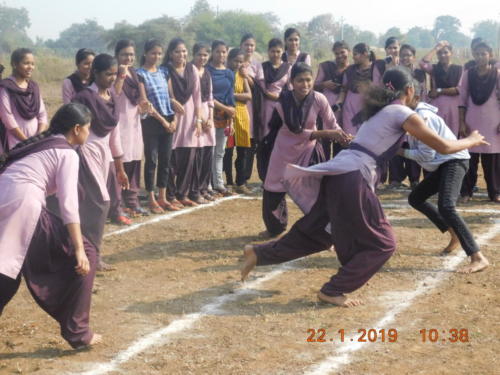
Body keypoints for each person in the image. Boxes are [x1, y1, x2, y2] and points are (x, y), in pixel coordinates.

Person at [240, 67, 488, 307]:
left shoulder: (381, 112)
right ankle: (333, 290)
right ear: (410, 90)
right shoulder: (402, 113)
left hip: (339, 172)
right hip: (352, 176)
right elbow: (443, 147)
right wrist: (472, 140)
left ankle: (259, 254)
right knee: (383, 243)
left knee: (318, 232)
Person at [0, 103, 102, 348]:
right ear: (77, 129)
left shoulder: (44, 143)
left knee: (7, 271)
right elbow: (68, 205)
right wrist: (78, 248)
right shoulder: (67, 152)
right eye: (88, 129)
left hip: (6, 197)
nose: (89, 134)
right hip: (23, 205)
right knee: (88, 253)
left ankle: (78, 331)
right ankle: (78, 332)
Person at [401, 97, 489, 273]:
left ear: (411, 94)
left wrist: (399, 151)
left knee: (446, 206)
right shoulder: (411, 116)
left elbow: (425, 155)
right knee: (416, 198)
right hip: (444, 163)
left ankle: (478, 257)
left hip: (455, 160)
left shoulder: (423, 117)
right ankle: (454, 233)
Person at [261, 62, 349, 236]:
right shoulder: (283, 100)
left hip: (308, 150)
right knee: (273, 189)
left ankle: (324, 230)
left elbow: (333, 124)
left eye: (308, 80)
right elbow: (296, 130)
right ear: (292, 82)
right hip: (283, 150)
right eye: (300, 80)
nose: (305, 84)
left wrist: (343, 136)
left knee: (317, 191)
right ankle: (275, 228)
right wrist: (327, 133)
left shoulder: (318, 98)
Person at [72, 53, 129, 271]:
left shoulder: (112, 98)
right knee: (99, 204)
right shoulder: (84, 98)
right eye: (107, 74)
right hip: (85, 152)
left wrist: (119, 167)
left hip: (104, 155)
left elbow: (114, 135)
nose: (112, 78)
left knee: (95, 205)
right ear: (95, 73)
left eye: (115, 74)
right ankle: (91, 255)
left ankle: (90, 253)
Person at [136, 39, 178, 213]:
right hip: (152, 121)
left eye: (159, 53)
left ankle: (163, 196)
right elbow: (145, 103)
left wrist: (174, 120)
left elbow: (171, 98)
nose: (156, 56)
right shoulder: (140, 74)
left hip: (168, 118)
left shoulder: (164, 71)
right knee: (151, 160)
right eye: (153, 53)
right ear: (145, 53)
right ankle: (151, 198)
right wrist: (164, 122)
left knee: (165, 160)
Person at [164, 38, 203, 207]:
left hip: (190, 118)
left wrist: (198, 119)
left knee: (188, 158)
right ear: (171, 54)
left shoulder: (192, 69)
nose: (182, 54)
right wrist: (172, 100)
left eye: (184, 51)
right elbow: (163, 94)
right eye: (178, 51)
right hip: (173, 117)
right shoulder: (165, 70)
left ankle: (183, 194)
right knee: (171, 159)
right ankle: (170, 195)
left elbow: (197, 96)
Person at [459, 42, 500, 203]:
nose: (480, 57)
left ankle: (495, 192)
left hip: (493, 120)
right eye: (477, 54)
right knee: (470, 158)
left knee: (493, 160)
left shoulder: (497, 74)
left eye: (484, 54)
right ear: (473, 55)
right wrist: (462, 122)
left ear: (490, 55)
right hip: (472, 120)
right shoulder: (468, 74)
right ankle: (467, 192)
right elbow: (462, 99)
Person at [113, 40, 149, 219]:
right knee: (120, 162)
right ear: (117, 56)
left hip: (134, 125)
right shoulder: (113, 73)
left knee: (134, 161)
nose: (128, 58)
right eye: (124, 54)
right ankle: (118, 204)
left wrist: (145, 105)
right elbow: (115, 93)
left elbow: (142, 100)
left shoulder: (136, 75)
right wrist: (121, 74)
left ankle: (132, 201)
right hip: (118, 125)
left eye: (131, 55)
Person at [388, 43, 427, 189]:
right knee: (397, 142)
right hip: (397, 111)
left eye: (409, 55)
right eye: (403, 55)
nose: (405, 58)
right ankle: (396, 179)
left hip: (413, 111)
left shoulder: (419, 73)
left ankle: (414, 179)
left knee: (413, 143)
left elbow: (422, 93)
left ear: (413, 57)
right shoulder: (394, 73)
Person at [255, 38, 291, 181]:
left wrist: (278, 97)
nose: (275, 54)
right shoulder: (262, 67)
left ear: (282, 52)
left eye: (278, 51)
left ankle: (279, 177)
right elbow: (258, 86)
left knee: (279, 144)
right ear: (268, 52)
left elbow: (290, 90)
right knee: (263, 145)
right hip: (263, 109)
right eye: (272, 51)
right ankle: (265, 178)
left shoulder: (288, 68)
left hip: (280, 110)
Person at [0, 48, 48, 154]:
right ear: (14, 64)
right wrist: (26, 141)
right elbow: (8, 119)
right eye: (26, 63)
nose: (30, 67)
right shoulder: (5, 88)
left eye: (32, 64)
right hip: (14, 142)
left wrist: (38, 138)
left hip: (35, 143)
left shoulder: (33, 87)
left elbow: (42, 114)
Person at [334, 43, 382, 137]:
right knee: (350, 137)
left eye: (356, 54)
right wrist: (339, 103)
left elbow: (378, 89)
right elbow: (344, 89)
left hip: (367, 108)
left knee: (367, 137)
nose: (353, 57)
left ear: (365, 54)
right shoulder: (350, 70)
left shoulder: (376, 68)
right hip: (350, 108)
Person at [207, 40, 235, 196]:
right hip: (210, 113)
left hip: (225, 116)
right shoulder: (207, 71)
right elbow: (208, 96)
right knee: (209, 150)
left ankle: (219, 183)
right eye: (218, 51)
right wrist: (224, 108)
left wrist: (231, 114)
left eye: (224, 52)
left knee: (220, 152)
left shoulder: (229, 73)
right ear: (212, 52)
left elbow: (230, 96)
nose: (221, 55)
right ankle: (208, 184)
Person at [223, 48, 253, 195]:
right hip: (228, 113)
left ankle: (240, 182)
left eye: (241, 62)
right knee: (228, 151)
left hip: (242, 114)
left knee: (243, 151)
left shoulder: (243, 76)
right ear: (229, 60)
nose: (238, 64)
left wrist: (232, 94)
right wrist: (237, 96)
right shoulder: (225, 74)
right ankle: (228, 182)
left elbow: (249, 95)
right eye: (236, 60)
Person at [314, 40, 350, 159]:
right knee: (324, 142)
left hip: (345, 112)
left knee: (341, 145)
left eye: (342, 52)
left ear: (348, 52)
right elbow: (314, 85)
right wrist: (325, 84)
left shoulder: (353, 70)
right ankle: (323, 173)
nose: (340, 56)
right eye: (337, 53)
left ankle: (336, 175)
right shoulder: (326, 66)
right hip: (326, 110)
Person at [419, 41, 463, 136]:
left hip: (454, 108)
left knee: (452, 135)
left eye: (446, 52)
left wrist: (439, 91)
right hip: (438, 107)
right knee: (437, 134)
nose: (443, 55)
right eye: (440, 53)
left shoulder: (459, 69)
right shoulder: (434, 69)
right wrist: (436, 48)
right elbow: (422, 63)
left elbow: (458, 90)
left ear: (451, 53)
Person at [192, 43, 216, 202]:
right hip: (195, 115)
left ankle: (203, 186)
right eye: (200, 55)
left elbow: (210, 97)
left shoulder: (207, 72)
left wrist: (211, 118)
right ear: (193, 55)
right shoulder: (191, 71)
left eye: (205, 55)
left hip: (208, 115)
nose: (203, 58)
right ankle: (195, 189)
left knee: (208, 153)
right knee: (197, 155)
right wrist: (199, 119)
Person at [239, 33, 263, 184]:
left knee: (250, 144)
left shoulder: (257, 65)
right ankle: (234, 178)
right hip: (236, 106)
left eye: (252, 45)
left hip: (252, 108)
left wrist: (246, 76)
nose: (249, 48)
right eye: (246, 44)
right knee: (237, 146)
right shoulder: (236, 62)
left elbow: (259, 86)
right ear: (241, 45)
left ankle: (245, 177)